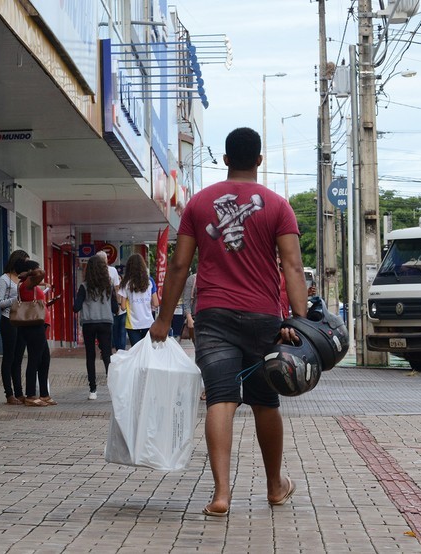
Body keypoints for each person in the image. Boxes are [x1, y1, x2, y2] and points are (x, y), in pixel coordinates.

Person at [149, 127, 307, 517]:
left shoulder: (199, 204)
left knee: (221, 399)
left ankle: (221, 495)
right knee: (265, 402)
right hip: (262, 318)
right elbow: (292, 265)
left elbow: (182, 265)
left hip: (214, 316)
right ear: (259, 160)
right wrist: (302, 323)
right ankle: (274, 486)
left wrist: (163, 320)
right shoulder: (277, 205)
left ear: (224, 160)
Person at [73, 255, 116, 400]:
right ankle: (112, 388)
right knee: (107, 355)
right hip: (105, 323)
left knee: (90, 356)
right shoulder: (109, 286)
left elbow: (76, 307)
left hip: (89, 323)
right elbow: (115, 308)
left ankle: (93, 390)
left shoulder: (84, 287)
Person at [17, 259, 56, 407]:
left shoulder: (31, 285)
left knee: (44, 358)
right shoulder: (26, 284)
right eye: (36, 268)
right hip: (33, 326)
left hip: (39, 325)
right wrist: (29, 273)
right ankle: (31, 395)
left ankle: (44, 394)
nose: (39, 270)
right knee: (34, 359)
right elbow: (41, 273)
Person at [0, 250, 29, 405]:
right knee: (9, 358)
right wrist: (16, 299)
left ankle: (19, 392)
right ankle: (9, 393)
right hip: (9, 321)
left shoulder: (23, 279)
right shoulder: (4, 279)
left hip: (22, 321)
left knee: (18, 358)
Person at [117, 253, 158, 347]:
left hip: (132, 324)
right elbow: (156, 303)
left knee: (136, 351)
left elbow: (123, 307)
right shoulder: (150, 281)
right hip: (148, 322)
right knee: (147, 351)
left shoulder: (126, 283)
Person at [99, 251, 125, 352]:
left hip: (101, 306)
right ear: (106, 260)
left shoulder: (93, 272)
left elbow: (117, 288)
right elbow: (117, 288)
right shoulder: (112, 270)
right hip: (108, 305)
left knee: (105, 329)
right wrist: (118, 304)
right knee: (112, 329)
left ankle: (105, 349)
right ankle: (110, 350)